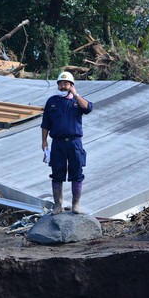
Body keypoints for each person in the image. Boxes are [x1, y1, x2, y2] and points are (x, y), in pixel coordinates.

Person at [40, 71, 93, 214]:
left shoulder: (77, 101)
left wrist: (75, 94)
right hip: (58, 143)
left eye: (66, 84)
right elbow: (45, 123)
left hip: (75, 143)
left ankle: (76, 205)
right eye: (60, 84)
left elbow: (88, 108)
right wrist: (44, 141)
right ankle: (58, 205)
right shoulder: (52, 101)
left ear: (71, 85)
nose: (63, 86)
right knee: (57, 173)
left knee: (77, 173)